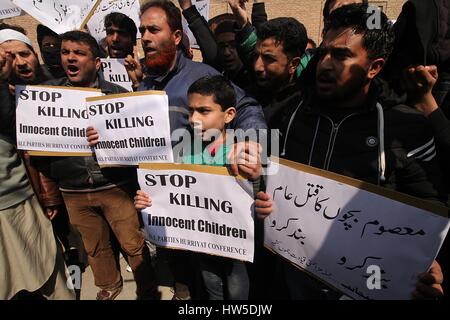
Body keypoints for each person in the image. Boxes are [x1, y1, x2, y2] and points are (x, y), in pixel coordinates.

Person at [255, 3, 447, 300]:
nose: (325, 64)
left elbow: (428, 205)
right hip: (293, 278)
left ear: (374, 67)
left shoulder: (406, 127)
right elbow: (267, 175)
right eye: (324, 51)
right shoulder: (289, 114)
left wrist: (428, 261)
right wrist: (262, 199)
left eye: (342, 55)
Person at [34, 31, 157, 300]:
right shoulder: (47, 98)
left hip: (115, 186)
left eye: (79, 52)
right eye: (66, 52)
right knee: (95, 246)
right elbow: (37, 153)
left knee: (133, 244)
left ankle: (147, 288)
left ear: (97, 62)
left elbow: (141, 141)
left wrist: (111, 136)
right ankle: (109, 285)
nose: (70, 58)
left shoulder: (117, 96)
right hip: (73, 191)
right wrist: (51, 193)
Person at [135, 75, 260, 300]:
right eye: (190, 111)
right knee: (212, 286)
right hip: (202, 244)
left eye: (204, 111)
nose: (194, 119)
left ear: (229, 114)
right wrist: (148, 199)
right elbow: (170, 193)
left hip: (234, 247)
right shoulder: (183, 151)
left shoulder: (242, 151)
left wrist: (258, 186)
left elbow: (258, 194)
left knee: (237, 288)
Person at [124, 0, 266, 134]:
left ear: (177, 37)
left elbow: (247, 108)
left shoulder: (201, 76)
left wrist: (250, 143)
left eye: (154, 30)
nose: (145, 38)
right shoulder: (145, 84)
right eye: (142, 31)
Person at [0, 46, 75, 300]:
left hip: (38, 196)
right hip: (23, 198)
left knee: (57, 266)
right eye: (10, 57)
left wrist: (48, 196)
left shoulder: (52, 91)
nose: (18, 63)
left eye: (23, 54)